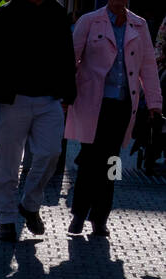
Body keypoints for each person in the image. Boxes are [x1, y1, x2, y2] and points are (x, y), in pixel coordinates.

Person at [0, 0, 75, 242]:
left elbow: (66, 54)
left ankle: (30, 203)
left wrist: (68, 94)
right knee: (7, 162)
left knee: (50, 153)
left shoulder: (57, 13)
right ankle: (6, 218)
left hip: (49, 99)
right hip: (11, 100)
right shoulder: (6, 13)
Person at [66, 0, 163, 236]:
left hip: (121, 106)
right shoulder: (89, 21)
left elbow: (148, 67)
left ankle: (101, 216)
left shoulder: (138, 25)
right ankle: (79, 213)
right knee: (89, 158)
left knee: (112, 162)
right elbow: (72, 59)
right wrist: (65, 95)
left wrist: (155, 104)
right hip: (94, 104)